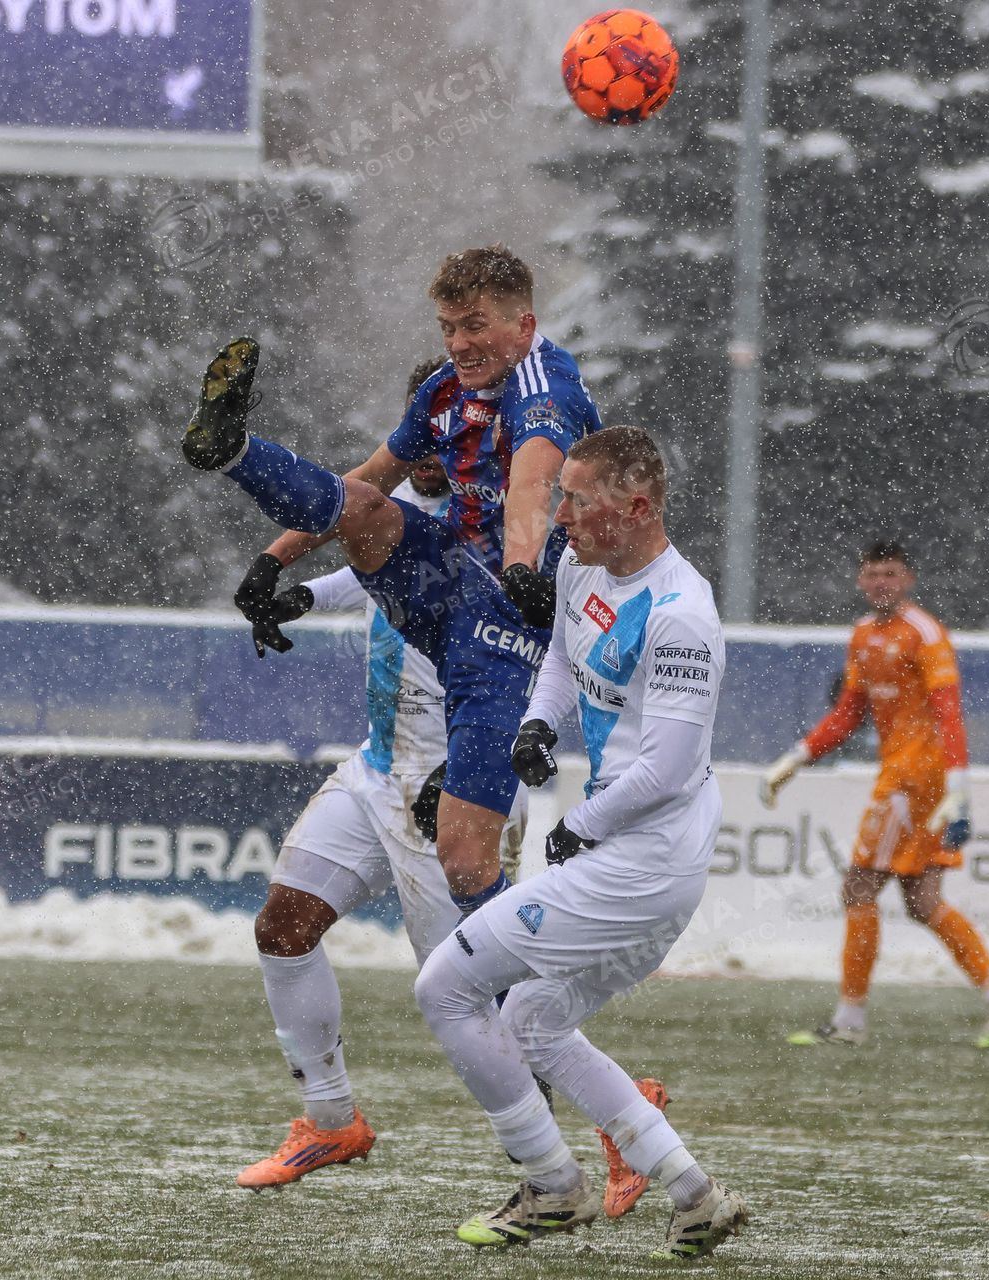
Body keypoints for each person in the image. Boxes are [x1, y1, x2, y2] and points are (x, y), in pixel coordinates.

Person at [179, 245, 601, 954]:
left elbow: (532, 484)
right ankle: (235, 453)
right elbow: (369, 478)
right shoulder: (443, 389)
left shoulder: (545, 389)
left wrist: (523, 569)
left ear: (523, 325)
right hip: (453, 586)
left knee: (465, 866)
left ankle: (524, 1002)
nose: (458, 343)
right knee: (370, 509)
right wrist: (274, 559)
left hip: (519, 632)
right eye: (448, 327)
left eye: (475, 325)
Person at [411, 427, 748, 1261]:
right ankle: (695, 1196)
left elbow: (668, 768)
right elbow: (563, 653)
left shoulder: (681, 614)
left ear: (635, 507)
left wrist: (580, 827)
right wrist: (537, 723)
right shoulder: (580, 565)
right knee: (533, 1019)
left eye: (577, 499)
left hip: (644, 861)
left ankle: (552, 1184)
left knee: (445, 987)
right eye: (559, 494)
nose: (558, 516)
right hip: (626, 853)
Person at [234, 363, 462, 1188]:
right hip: (376, 768)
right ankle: (331, 1122)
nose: (427, 445)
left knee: (472, 998)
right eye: (418, 424)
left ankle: (625, 1116)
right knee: (283, 928)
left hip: (450, 789)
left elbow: (543, 655)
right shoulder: (404, 512)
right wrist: (296, 597)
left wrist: (476, 765)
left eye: (445, 429)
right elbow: (368, 568)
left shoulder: (501, 525)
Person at [761, 542, 989, 1048]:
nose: (881, 582)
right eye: (873, 574)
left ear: (908, 580)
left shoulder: (925, 633)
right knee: (923, 901)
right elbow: (847, 713)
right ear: (860, 581)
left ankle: (849, 1024)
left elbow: (949, 712)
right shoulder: (863, 635)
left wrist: (958, 788)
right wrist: (793, 760)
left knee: (858, 888)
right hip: (909, 779)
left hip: (913, 782)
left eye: (891, 573)